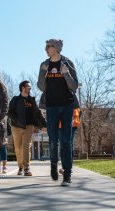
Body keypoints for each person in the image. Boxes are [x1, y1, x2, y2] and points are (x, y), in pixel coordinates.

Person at [37, 39, 78, 186]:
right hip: (51, 107)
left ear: (57, 48)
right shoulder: (44, 65)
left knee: (66, 142)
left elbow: (74, 86)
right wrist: (43, 72)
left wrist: (66, 74)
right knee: (53, 141)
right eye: (46, 46)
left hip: (67, 106)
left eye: (49, 46)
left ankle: (67, 175)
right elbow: (41, 87)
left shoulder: (68, 63)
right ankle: (54, 164)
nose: (46, 49)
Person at [8, 80, 46, 176]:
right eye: (28, 87)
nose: (30, 88)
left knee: (26, 146)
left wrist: (44, 125)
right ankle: (20, 166)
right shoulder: (15, 99)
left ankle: (26, 168)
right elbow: (9, 112)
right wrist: (17, 120)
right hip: (16, 127)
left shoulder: (31, 100)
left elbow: (38, 113)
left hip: (29, 126)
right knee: (18, 148)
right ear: (23, 88)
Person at [59, 97, 81, 175]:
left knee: (68, 144)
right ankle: (65, 167)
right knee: (64, 145)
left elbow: (77, 108)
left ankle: (68, 168)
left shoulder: (70, 92)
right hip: (61, 124)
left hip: (70, 122)